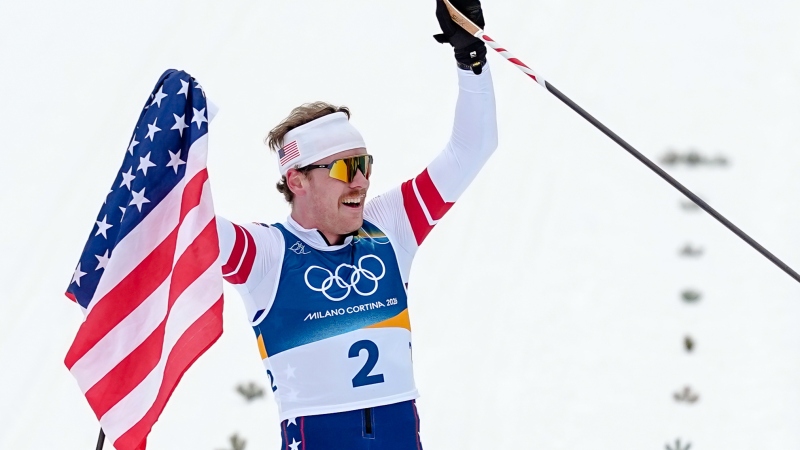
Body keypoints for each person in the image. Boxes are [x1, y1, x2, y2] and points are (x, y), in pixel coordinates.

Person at [217, 1, 497, 447]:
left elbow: (472, 149)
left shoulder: (389, 226)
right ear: (297, 180)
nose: (362, 182)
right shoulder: (267, 253)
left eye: (364, 164)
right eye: (345, 169)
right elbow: (191, 229)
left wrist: (471, 58)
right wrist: (170, 162)